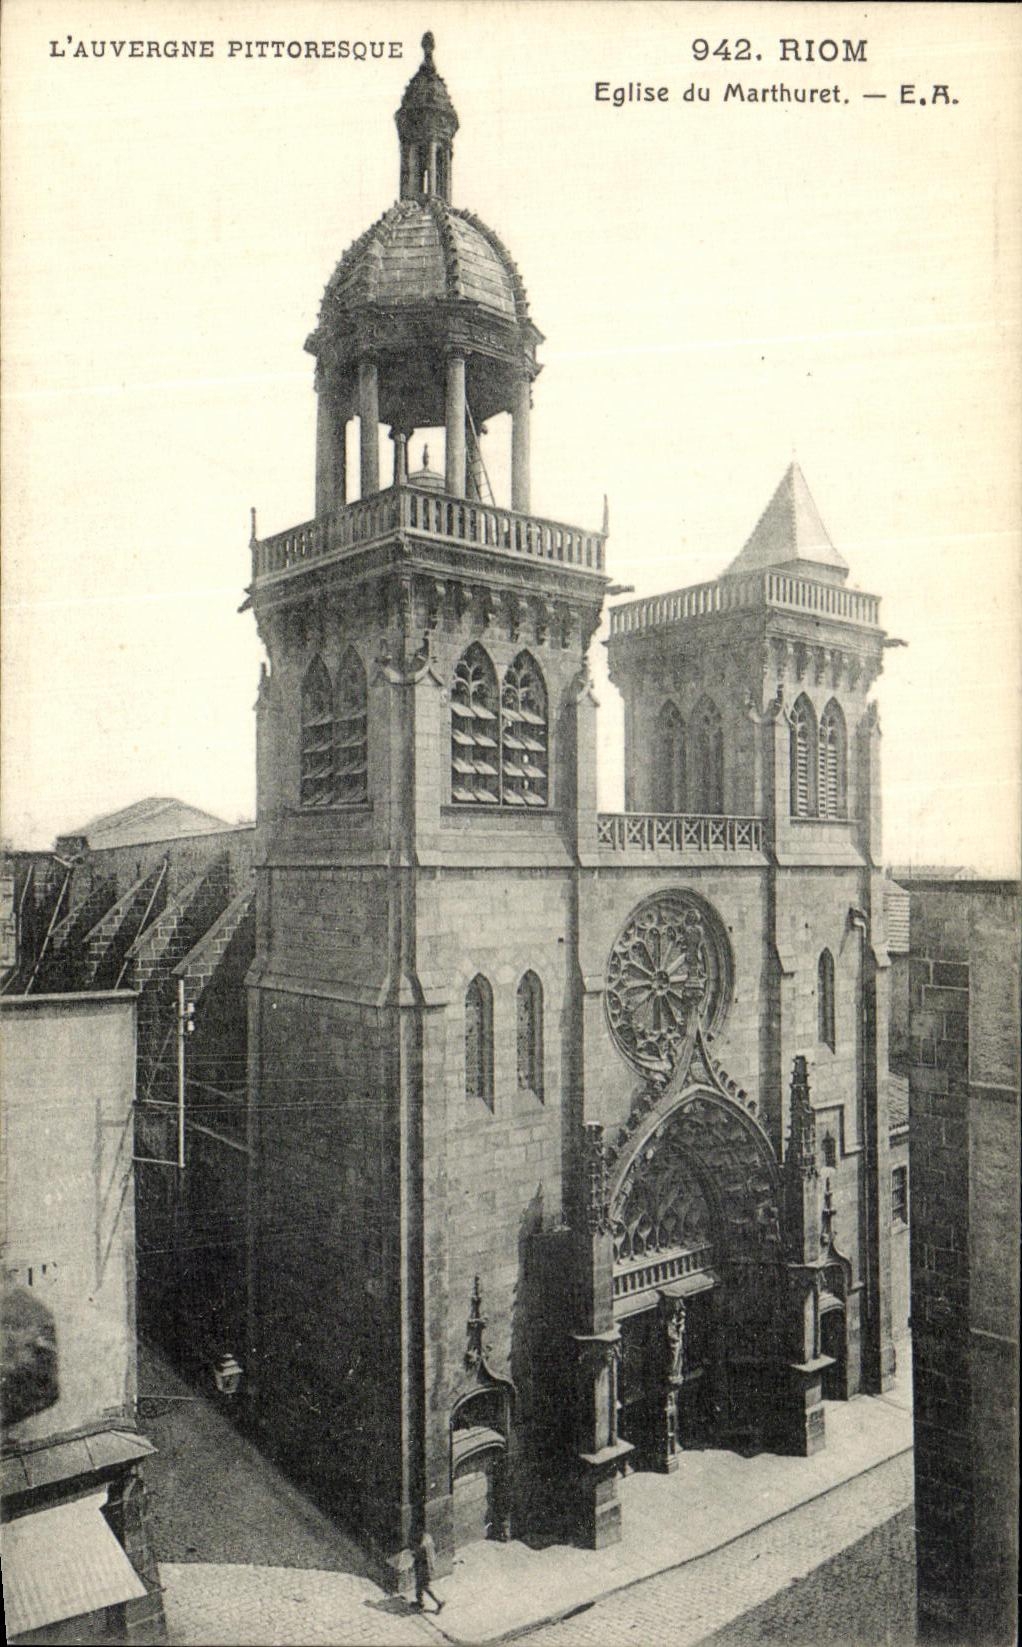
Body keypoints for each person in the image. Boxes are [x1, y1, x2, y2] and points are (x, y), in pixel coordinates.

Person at [414, 1530, 443, 1613]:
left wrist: (415, 1554)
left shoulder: (422, 1546)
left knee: (425, 1586)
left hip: (424, 1568)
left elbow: (421, 1556)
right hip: (426, 1566)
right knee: (419, 1584)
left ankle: (439, 1602)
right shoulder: (428, 1537)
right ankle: (420, 1602)